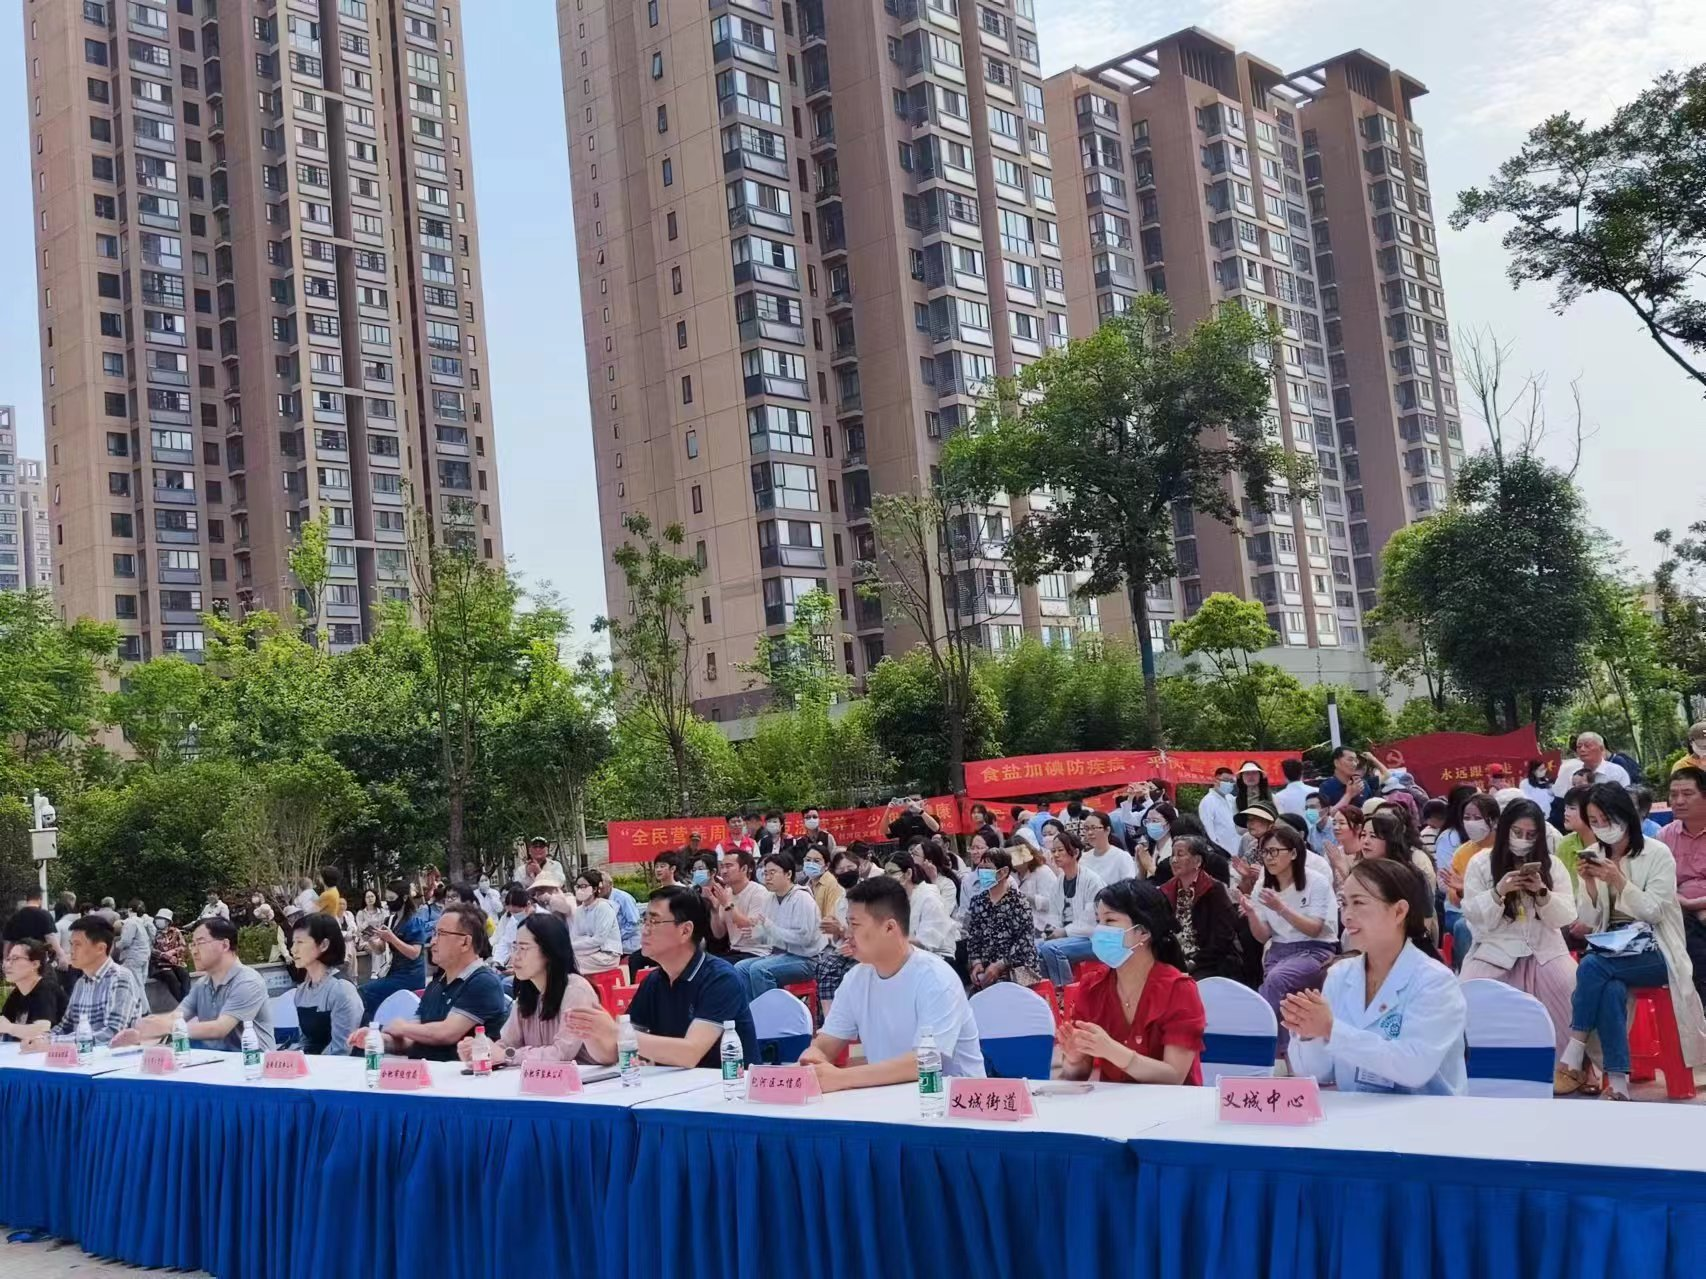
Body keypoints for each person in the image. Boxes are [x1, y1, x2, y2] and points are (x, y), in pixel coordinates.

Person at [1556, 784, 1706, 1099]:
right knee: (1609, 987)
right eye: (1594, 821)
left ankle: (1576, 1043)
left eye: (1606, 819)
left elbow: (1654, 911)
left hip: (1655, 949)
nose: (1601, 827)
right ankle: (1619, 1082)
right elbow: (1588, 919)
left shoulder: (1656, 852)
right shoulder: (1595, 854)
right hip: (1612, 948)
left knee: (1592, 966)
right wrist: (1590, 884)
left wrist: (1618, 880)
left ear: (1624, 815)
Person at [1283, 858, 1466, 1094]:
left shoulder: (1435, 982)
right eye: (1344, 903)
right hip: (1358, 1111)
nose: (1346, 916)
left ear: (1399, 911)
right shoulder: (1340, 975)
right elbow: (1320, 1073)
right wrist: (1309, 1034)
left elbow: (1414, 1068)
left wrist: (1330, 1029)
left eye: (1359, 902)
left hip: (1424, 1113)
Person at [797, 876, 983, 1090]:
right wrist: (813, 1058)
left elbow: (925, 1062)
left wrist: (841, 1078)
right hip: (890, 1098)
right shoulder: (856, 978)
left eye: (854, 925)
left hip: (950, 1101)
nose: (847, 934)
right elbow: (826, 1044)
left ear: (889, 928)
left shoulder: (936, 978)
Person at [566, 886, 757, 1067]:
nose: (645, 930)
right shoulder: (654, 982)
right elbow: (614, 1052)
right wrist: (590, 1031)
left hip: (726, 1085)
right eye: (645, 921)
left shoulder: (720, 978)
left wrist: (615, 1031)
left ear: (685, 930)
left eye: (654, 922)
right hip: (676, 1086)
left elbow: (690, 1053)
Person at [1056, 878, 1205, 1084]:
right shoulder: (1092, 987)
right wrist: (1074, 1060)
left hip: (1170, 1103)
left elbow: (1174, 1076)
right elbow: (1078, 1075)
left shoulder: (1179, 989)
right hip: (1114, 1102)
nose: (1099, 931)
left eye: (1110, 921)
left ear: (1143, 932)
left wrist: (1112, 1051)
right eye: (1098, 921)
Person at [1457, 798, 1577, 1051]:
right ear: (1505, 829)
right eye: (1517, 832)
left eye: (1531, 835)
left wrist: (1542, 893)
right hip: (1495, 951)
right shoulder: (1481, 863)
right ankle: (1481, 1063)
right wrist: (1498, 892)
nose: (1523, 839)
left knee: (1570, 986)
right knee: (1469, 991)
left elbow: (1566, 916)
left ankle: (1566, 1064)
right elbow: (1474, 918)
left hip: (1545, 950)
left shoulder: (1552, 865)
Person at [351, 903, 506, 1060]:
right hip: (426, 1072)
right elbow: (412, 1039)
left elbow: (447, 1033)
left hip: (466, 1073)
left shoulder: (483, 982)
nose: (432, 941)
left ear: (465, 942)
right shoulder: (436, 985)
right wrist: (378, 1039)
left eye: (441, 934)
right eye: (433, 934)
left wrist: (403, 1027)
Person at [461, 912, 610, 1068]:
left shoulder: (576, 990)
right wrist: (482, 1052)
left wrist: (506, 1055)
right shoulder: (527, 993)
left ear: (549, 951)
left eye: (523, 948)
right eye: (515, 947)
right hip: (538, 1079)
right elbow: (507, 1045)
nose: (515, 957)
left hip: (584, 1079)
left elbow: (561, 1054)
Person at [1240, 822, 1337, 1047]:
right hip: (1279, 950)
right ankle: (1284, 1051)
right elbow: (1263, 937)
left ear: (1293, 853)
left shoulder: (1316, 881)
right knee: (1282, 995)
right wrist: (1252, 914)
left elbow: (1314, 929)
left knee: (1277, 980)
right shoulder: (1263, 885)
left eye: (1274, 851)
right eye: (1265, 852)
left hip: (1315, 949)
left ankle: (1260, 1039)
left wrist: (1281, 908)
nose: (1269, 858)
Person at [115, 916, 275, 1053]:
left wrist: (165, 1027)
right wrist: (141, 1031)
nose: (194, 951)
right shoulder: (202, 984)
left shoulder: (248, 981)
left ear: (225, 945)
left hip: (253, 1065)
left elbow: (219, 1028)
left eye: (200, 943)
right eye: (193, 944)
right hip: (216, 1064)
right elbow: (176, 1017)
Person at [22, 916, 146, 1050]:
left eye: (78, 944)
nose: (71, 951)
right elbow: (65, 1026)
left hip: (112, 1059)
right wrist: (40, 1038)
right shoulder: (81, 983)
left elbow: (112, 1034)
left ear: (100, 948)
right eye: (71, 944)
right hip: (82, 1056)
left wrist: (51, 1042)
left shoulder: (121, 978)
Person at [734, 851, 827, 998]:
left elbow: (804, 939)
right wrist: (758, 934)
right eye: (765, 873)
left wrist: (771, 929)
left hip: (807, 959)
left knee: (760, 970)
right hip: (780, 955)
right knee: (740, 968)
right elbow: (772, 938)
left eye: (772, 873)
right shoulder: (770, 898)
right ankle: (752, 1009)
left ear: (788, 874)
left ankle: (771, 1010)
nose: (767, 877)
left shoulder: (802, 898)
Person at [1160, 836, 1243, 981]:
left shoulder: (1213, 889)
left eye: (1180, 854)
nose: (1174, 860)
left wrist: (1195, 963)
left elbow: (1223, 937)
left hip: (1210, 961)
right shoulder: (1166, 890)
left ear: (1197, 861)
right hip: (1176, 959)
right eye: (1172, 855)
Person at [1661, 766, 1706, 1011]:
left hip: (1692, 908)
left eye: (1687, 794)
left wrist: (1696, 904)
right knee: (1684, 927)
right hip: (1679, 912)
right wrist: (1689, 905)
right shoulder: (1665, 836)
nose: (1678, 801)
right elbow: (1657, 884)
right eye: (1673, 794)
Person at [287, 913, 364, 1055]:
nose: (293, 950)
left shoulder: (342, 989)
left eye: (300, 942)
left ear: (323, 945)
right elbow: (305, 1041)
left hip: (341, 1065)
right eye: (293, 943)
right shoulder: (302, 991)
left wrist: (312, 1064)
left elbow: (342, 1048)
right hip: (314, 1064)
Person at [1037, 831, 1105, 989]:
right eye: (1053, 851)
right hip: (1068, 937)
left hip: (1092, 938)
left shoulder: (1092, 880)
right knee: (1035, 947)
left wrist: (1064, 932)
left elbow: (1091, 921)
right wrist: (1051, 931)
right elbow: (1053, 914)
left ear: (1075, 852)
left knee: (1051, 948)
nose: (1056, 855)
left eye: (1060, 850)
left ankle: (1064, 990)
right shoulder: (1058, 882)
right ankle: (1048, 991)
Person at [963, 849, 1039, 989]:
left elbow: (1025, 942)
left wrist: (1001, 964)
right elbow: (973, 938)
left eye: (988, 869)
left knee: (1003, 989)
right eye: (981, 869)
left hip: (1019, 967)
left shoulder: (1019, 903)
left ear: (1003, 872)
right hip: (988, 968)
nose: (983, 873)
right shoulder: (978, 902)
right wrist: (976, 963)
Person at [358, 880, 429, 1022]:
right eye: (387, 899)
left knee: (365, 991)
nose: (389, 903)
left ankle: (371, 1026)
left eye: (392, 899)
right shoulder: (389, 920)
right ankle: (374, 1024)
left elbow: (414, 953)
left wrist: (392, 938)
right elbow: (379, 950)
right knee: (367, 993)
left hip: (410, 976)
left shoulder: (414, 921)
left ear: (404, 898)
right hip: (393, 972)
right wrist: (370, 939)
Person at [885, 855, 959, 959]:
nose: (887, 878)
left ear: (908, 873)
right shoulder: (896, 900)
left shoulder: (929, 897)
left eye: (892, 872)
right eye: (885, 873)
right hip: (910, 956)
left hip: (939, 958)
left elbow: (926, 941)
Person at [814, 850, 861, 1012]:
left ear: (859, 868)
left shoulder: (869, 896)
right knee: (825, 966)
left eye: (850, 868)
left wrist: (840, 930)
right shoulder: (840, 900)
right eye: (841, 870)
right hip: (844, 949)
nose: (846, 872)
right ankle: (829, 1018)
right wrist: (832, 929)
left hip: (866, 949)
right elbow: (836, 936)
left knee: (849, 973)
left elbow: (869, 931)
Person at [708, 851, 770, 963]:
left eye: (729, 866)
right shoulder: (726, 893)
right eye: (722, 867)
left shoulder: (759, 892)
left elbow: (749, 927)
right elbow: (719, 934)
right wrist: (714, 910)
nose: (724, 871)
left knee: (715, 967)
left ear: (744, 869)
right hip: (734, 950)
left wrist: (727, 904)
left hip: (756, 952)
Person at [0, 941, 67, 1042]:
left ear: (35, 964)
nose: (7, 965)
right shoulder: (18, 992)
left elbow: (41, 1031)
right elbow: (4, 1021)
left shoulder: (46, 989)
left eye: (15, 958)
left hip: (60, 1048)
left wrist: (9, 1028)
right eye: (8, 959)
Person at [569, 870, 624, 975]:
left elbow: (599, 939)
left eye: (584, 886)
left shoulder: (603, 908)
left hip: (606, 956)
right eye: (578, 886)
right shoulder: (579, 911)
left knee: (570, 964)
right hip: (585, 952)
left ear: (594, 889)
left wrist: (575, 945)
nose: (580, 890)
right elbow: (574, 936)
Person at [1552, 731, 1631, 796]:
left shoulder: (1616, 772)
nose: (1582, 749)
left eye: (1587, 746)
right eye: (1579, 746)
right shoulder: (1571, 771)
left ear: (1601, 748)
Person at [1082, 810, 1140, 884]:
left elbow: (1129, 886)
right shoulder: (1083, 859)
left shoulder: (1122, 857)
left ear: (1107, 830)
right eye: (1086, 829)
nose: (1090, 833)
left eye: (1094, 828)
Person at [1316, 746, 1381, 813]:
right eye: (1350, 760)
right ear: (1336, 763)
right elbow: (1326, 815)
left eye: (1355, 761)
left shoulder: (1362, 784)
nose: (1354, 764)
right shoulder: (1326, 787)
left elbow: (1371, 811)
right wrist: (1349, 795)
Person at [599, 873, 643, 967]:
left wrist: (616, 936)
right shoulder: (598, 900)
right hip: (610, 947)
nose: (599, 889)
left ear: (610, 884)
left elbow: (634, 923)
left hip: (629, 947)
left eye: (602, 886)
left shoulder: (623, 898)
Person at [148, 909, 189, 1002]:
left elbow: (183, 946)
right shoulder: (152, 932)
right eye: (157, 918)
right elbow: (149, 949)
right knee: (170, 976)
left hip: (174, 963)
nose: (158, 921)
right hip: (158, 966)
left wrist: (173, 952)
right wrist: (164, 955)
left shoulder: (176, 932)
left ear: (168, 922)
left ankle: (188, 1001)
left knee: (184, 974)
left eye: (161, 919)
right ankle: (184, 1003)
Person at [1198, 767, 1240, 855]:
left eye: (1231, 781)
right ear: (1215, 780)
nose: (1229, 784)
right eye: (1225, 780)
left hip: (1237, 850)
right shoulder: (1207, 802)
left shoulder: (1230, 798)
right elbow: (1208, 832)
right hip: (1221, 853)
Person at [490, 885, 533, 971]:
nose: (514, 915)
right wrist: (497, 962)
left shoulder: (541, 919)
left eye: (517, 912)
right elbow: (505, 942)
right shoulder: (513, 920)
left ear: (528, 905)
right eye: (512, 912)